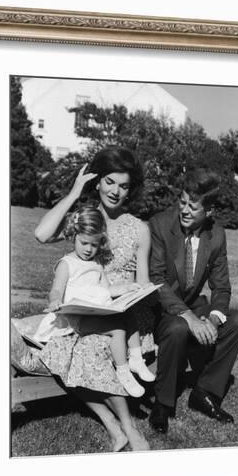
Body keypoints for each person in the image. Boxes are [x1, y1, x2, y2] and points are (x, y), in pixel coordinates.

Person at [34, 146, 155, 452]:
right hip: (83, 313)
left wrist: (140, 318)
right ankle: (117, 426)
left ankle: (127, 427)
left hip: (122, 316)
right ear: (98, 182)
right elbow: (41, 234)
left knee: (89, 346)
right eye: (110, 182)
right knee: (66, 347)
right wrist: (76, 191)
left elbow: (143, 285)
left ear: (131, 190)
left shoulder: (139, 228)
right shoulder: (85, 220)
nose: (116, 191)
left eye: (124, 186)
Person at [148, 167, 238, 433]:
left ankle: (204, 393)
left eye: (193, 206)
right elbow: (156, 281)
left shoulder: (216, 235)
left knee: (237, 321)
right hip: (159, 309)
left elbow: (222, 287)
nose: (184, 210)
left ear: (209, 212)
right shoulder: (159, 224)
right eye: (182, 202)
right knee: (179, 326)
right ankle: (163, 403)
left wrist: (214, 320)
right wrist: (190, 318)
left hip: (194, 305)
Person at [34, 205, 148, 397]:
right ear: (73, 236)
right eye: (84, 243)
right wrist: (55, 301)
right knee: (118, 330)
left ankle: (137, 358)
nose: (88, 249)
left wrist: (126, 289)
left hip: (94, 311)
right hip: (76, 318)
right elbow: (57, 289)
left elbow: (106, 289)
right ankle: (124, 371)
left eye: (94, 245)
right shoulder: (67, 264)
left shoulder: (96, 264)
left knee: (129, 313)